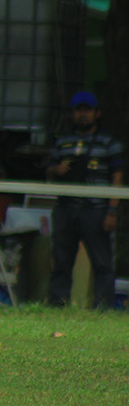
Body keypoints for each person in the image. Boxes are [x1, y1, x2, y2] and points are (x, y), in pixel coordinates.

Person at [45, 91, 124, 308]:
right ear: (72, 114)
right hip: (66, 207)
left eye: (87, 110)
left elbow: (117, 177)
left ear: (96, 113)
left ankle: (102, 307)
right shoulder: (63, 143)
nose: (83, 115)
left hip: (96, 210)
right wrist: (56, 169)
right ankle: (57, 304)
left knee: (102, 263)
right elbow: (48, 171)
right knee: (61, 261)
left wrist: (111, 211)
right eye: (79, 111)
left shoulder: (109, 143)